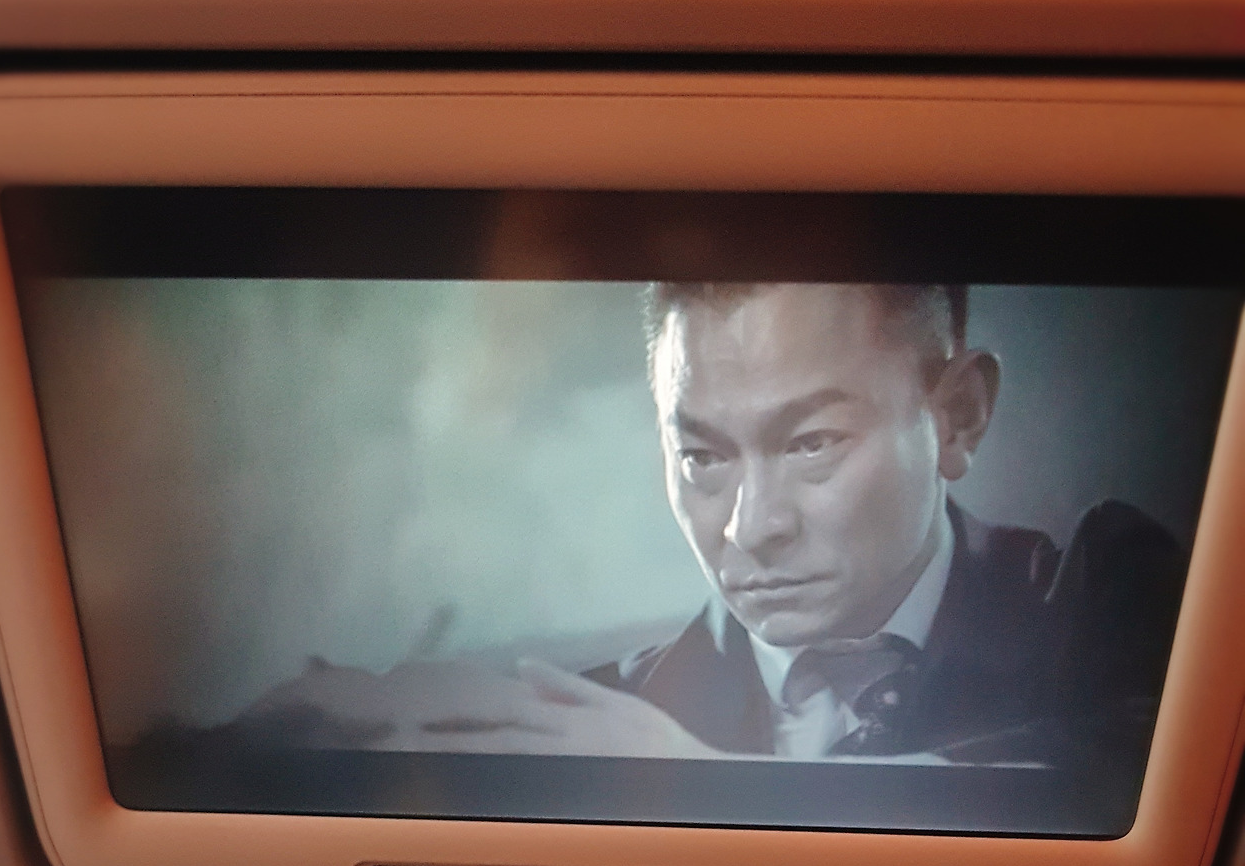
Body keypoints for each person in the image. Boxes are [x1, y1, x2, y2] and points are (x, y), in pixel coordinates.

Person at [220, 281, 1185, 766]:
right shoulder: (603, 726)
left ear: (958, 416)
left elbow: (1125, 790)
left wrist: (711, 790)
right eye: (702, 458)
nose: (749, 530)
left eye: (811, 443)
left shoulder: (1107, 601)